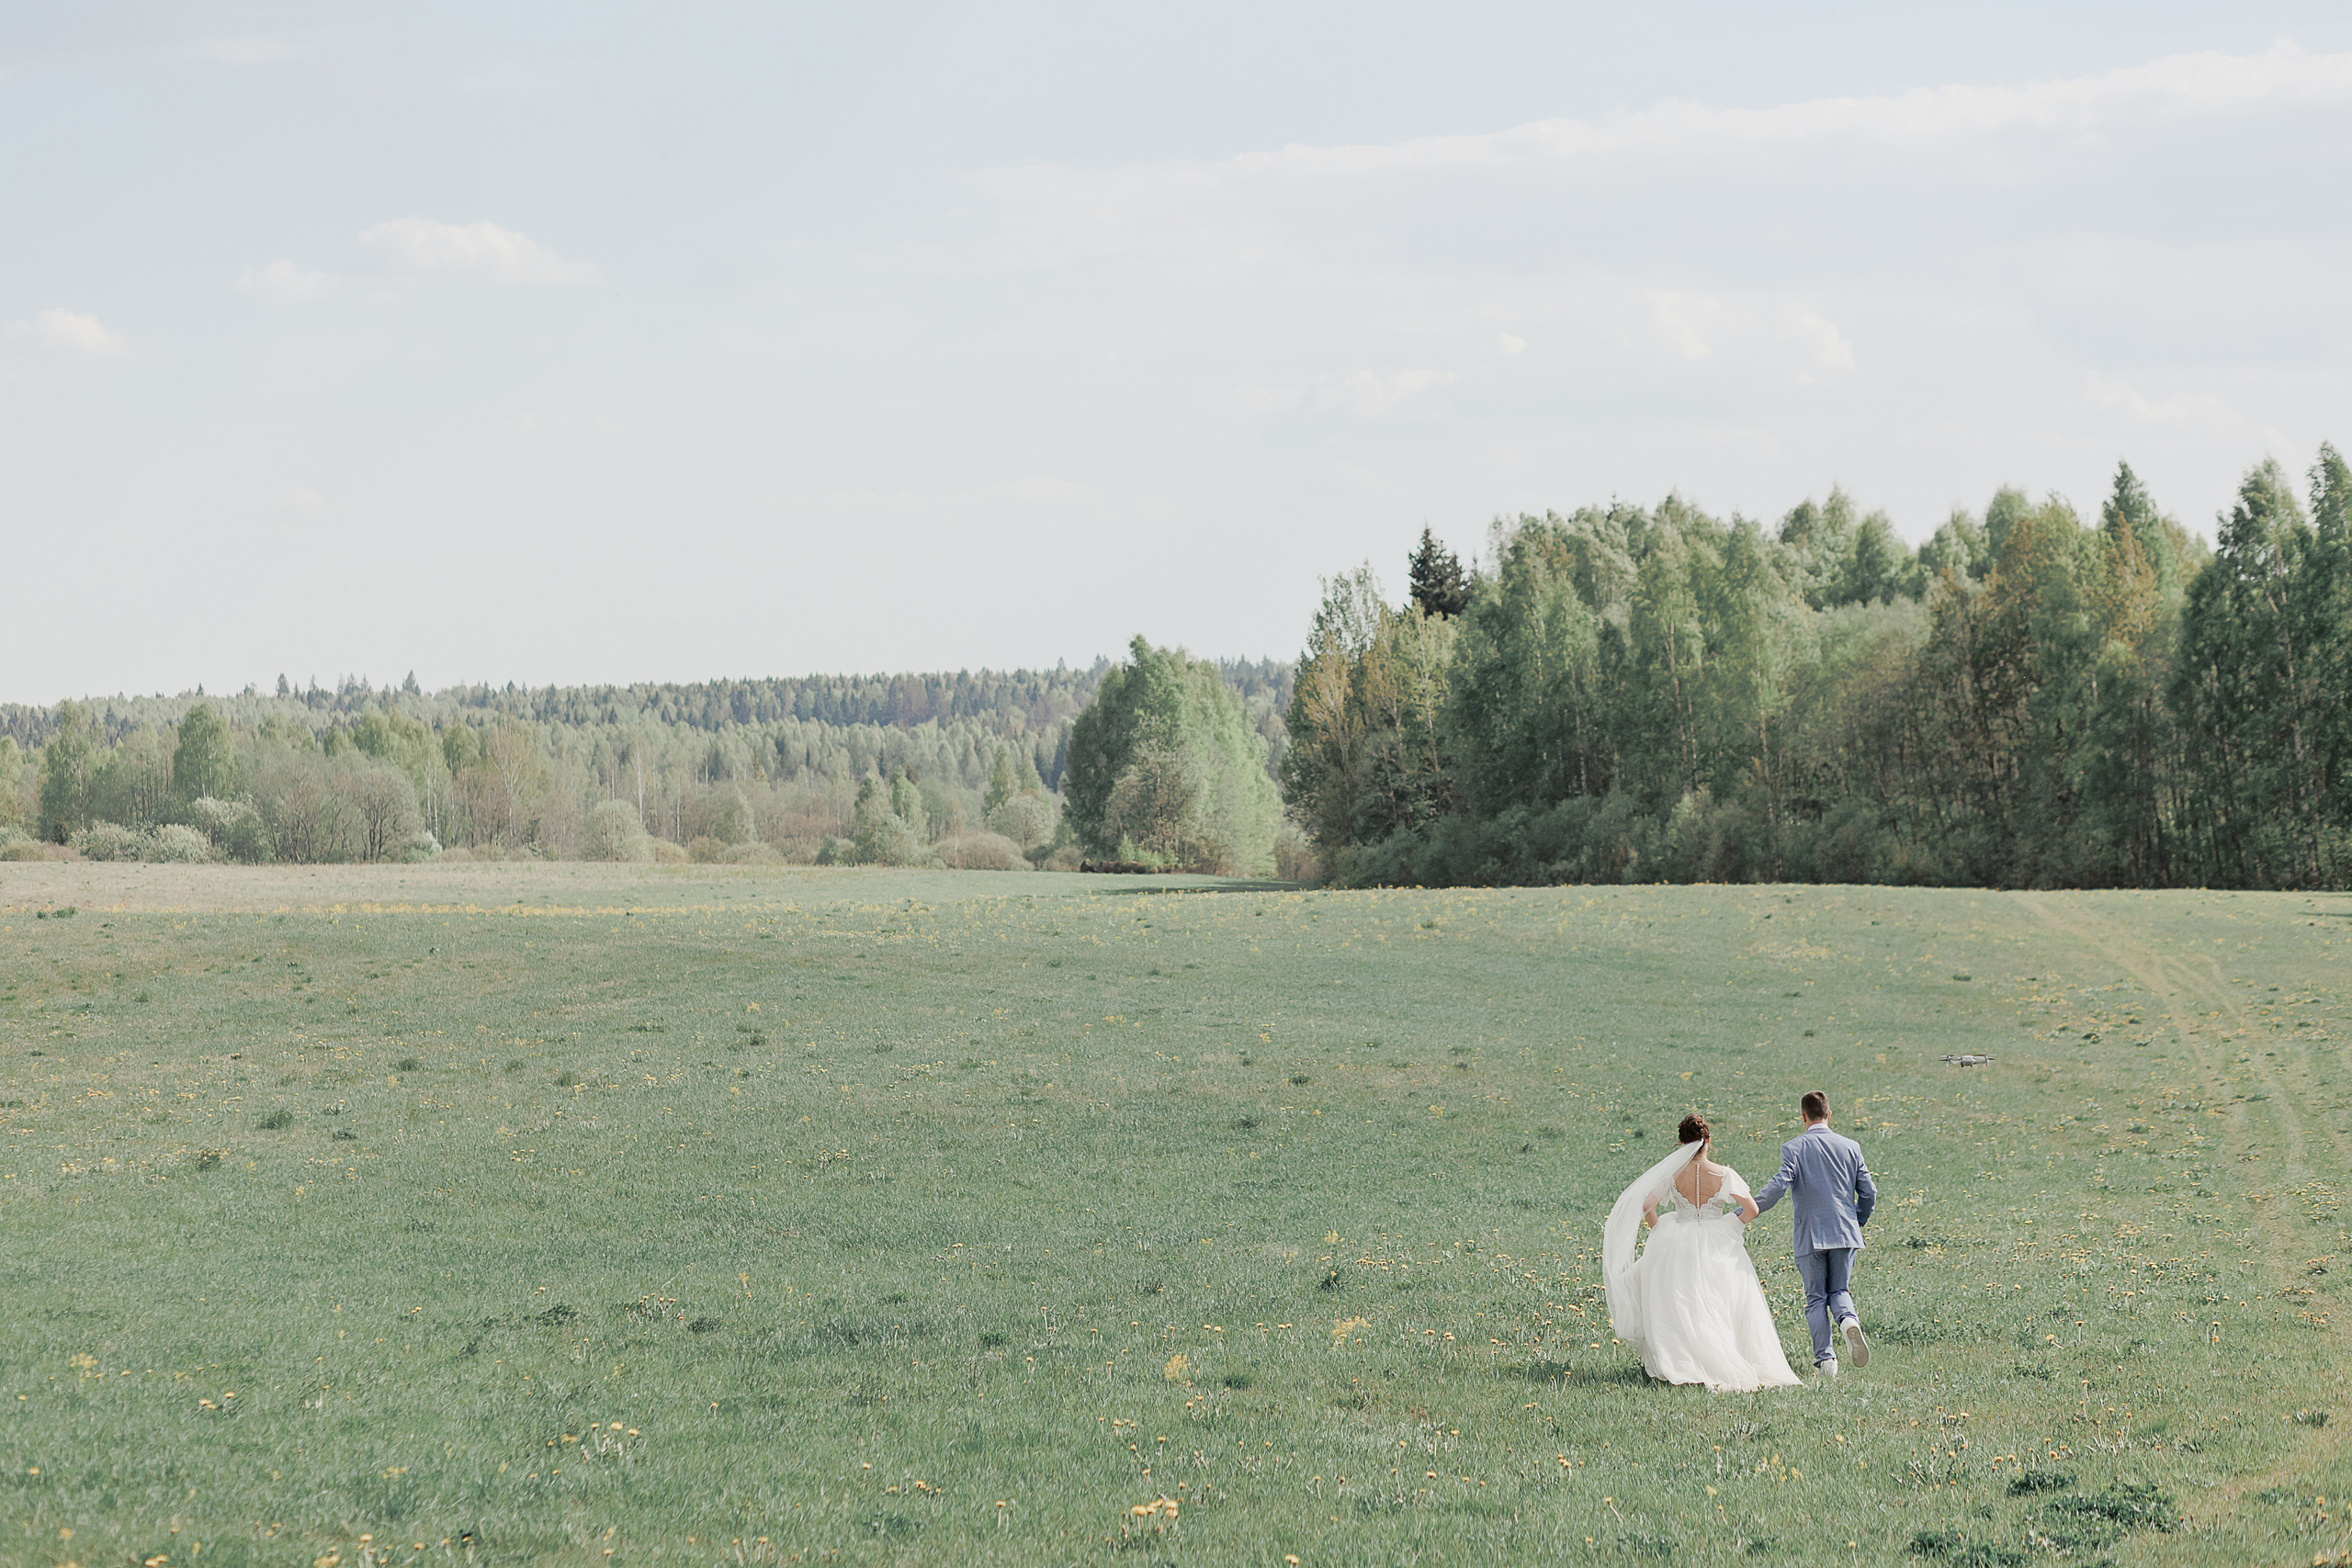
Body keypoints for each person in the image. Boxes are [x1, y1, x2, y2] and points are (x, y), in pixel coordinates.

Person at [1602, 1113, 1801, 1392]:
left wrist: (1658, 1229)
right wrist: (1731, 1224)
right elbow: (1752, 1209)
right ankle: (1723, 1356)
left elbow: (1647, 1204)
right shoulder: (1724, 1174)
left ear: (1682, 1143)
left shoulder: (1672, 1174)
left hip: (1678, 1238)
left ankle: (1685, 1359)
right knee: (1719, 1299)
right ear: (1708, 1140)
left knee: (1682, 1301)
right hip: (1716, 1239)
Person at [1751, 1089, 1877, 1376]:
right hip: (1845, 1234)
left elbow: (1777, 1187)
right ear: (1829, 1115)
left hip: (1811, 1236)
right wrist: (1857, 1219)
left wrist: (1747, 1211)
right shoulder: (1851, 1146)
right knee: (1840, 1290)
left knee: (1816, 1298)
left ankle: (1827, 1361)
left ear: (1803, 1117)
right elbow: (1869, 1191)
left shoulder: (1794, 1148)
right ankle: (1847, 1321)